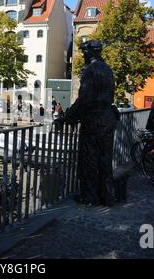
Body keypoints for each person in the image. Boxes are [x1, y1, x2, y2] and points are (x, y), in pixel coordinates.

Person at [61, 40, 119, 207]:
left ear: (90, 53)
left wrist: (68, 117)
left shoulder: (90, 70)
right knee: (105, 159)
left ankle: (90, 197)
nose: (83, 56)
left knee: (90, 160)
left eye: (85, 53)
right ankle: (107, 197)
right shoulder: (107, 69)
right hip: (108, 118)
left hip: (95, 120)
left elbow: (84, 99)